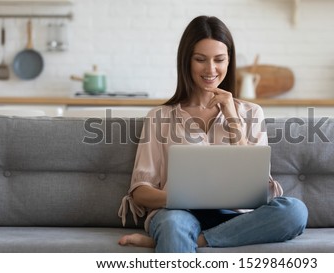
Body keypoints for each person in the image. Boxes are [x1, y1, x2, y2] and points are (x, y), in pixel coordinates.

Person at [117, 15, 308, 253]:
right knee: (174, 225)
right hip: (178, 214)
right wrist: (182, 198)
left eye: (219, 59)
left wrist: (231, 116)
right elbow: (140, 192)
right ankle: (180, 236)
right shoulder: (159, 116)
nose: (210, 69)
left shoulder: (251, 112)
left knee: (295, 211)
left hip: (237, 217)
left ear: (229, 61)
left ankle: (195, 240)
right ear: (186, 61)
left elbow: (258, 186)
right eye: (200, 60)